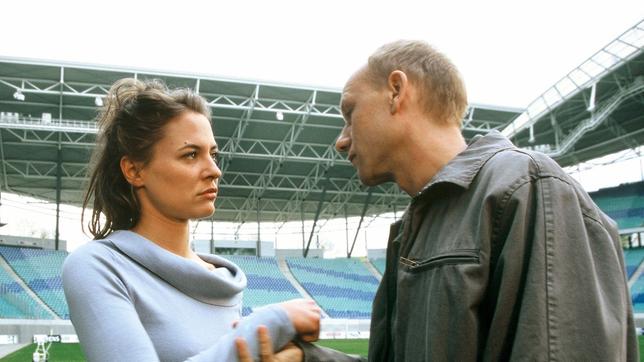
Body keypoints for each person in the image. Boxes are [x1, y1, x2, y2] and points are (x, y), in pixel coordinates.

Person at [241, 40, 639, 361]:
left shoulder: (529, 187)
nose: (341, 139)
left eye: (350, 112)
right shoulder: (412, 229)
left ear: (397, 91)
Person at [62, 78, 321, 362]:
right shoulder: (98, 265)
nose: (214, 171)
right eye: (191, 155)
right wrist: (272, 321)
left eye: (213, 154)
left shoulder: (221, 281)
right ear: (134, 170)